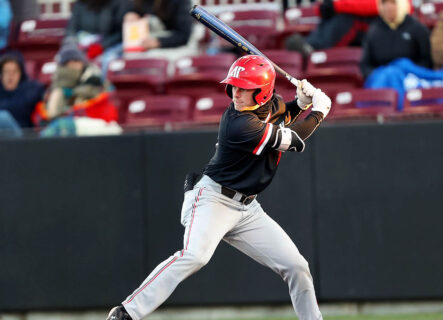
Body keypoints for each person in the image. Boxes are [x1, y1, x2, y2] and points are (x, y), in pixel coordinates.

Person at [105, 55, 332, 320]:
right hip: (213, 200)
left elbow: (283, 114)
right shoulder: (238, 124)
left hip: (248, 209)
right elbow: (292, 139)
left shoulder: (272, 105)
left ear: (262, 93)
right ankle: (126, 313)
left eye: (244, 87)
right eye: (234, 86)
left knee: (297, 266)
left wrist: (300, 104)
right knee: (195, 256)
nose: (236, 92)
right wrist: (319, 111)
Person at [360, 0, 433, 78]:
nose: (388, 7)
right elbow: (365, 65)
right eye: (384, 3)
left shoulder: (418, 29)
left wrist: (405, 72)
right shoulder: (373, 31)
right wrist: (383, 74)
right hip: (383, 80)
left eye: (392, 3)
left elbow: (427, 61)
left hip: (412, 78)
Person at [285, 0, 378, 57]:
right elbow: (324, 6)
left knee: (344, 17)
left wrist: (336, 6)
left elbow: (376, 5)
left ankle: (314, 49)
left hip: (373, 25)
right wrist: (324, 8)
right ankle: (309, 44)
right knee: (332, 15)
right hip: (344, 16)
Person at [66, 0, 132, 77]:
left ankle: (103, 85)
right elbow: (71, 30)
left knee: (108, 60)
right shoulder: (80, 4)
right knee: (68, 58)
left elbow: (121, 32)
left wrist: (102, 46)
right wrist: (76, 47)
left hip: (110, 46)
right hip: (83, 46)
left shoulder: (119, 3)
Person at [45, 40, 106, 120]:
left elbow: (93, 91)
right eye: (69, 62)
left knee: (79, 100)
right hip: (64, 112)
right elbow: (49, 94)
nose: (74, 64)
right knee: (57, 93)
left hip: (90, 112)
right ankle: (51, 121)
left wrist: (73, 92)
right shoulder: (59, 75)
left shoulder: (92, 73)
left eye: (76, 61)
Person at [0, 51, 44, 132]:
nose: (10, 76)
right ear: (1, 75)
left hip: (22, 138)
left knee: (3, 117)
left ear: (21, 74)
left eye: (14, 72)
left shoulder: (31, 91)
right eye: (6, 71)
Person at [123, 0, 192, 51]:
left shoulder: (179, 2)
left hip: (173, 49)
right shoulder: (137, 3)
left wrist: (158, 42)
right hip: (142, 48)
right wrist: (130, 15)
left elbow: (184, 35)